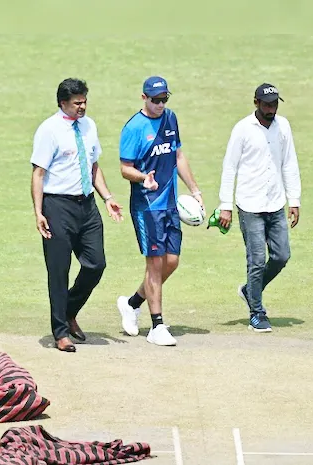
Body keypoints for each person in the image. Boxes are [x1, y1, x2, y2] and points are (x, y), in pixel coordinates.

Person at [30, 78, 123, 353]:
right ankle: (60, 331)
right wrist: (38, 212)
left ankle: (69, 310)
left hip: (87, 205)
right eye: (77, 103)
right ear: (63, 103)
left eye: (84, 101)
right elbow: (38, 174)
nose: (82, 107)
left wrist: (108, 198)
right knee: (58, 272)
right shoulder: (49, 130)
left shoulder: (89, 126)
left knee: (96, 264)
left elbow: (93, 165)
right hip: (57, 206)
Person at [116, 76, 203, 346]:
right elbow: (124, 168)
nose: (161, 104)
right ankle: (157, 326)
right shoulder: (134, 128)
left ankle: (132, 303)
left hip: (170, 204)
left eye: (165, 99)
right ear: (144, 98)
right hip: (147, 207)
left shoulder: (170, 119)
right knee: (154, 264)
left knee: (171, 262)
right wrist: (144, 178)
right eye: (156, 100)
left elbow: (178, 156)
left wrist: (195, 190)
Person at [217, 83, 302, 333]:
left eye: (274, 104)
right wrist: (225, 206)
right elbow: (229, 166)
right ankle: (257, 312)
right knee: (256, 260)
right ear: (256, 103)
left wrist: (294, 200)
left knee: (281, 256)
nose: (271, 109)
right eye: (266, 104)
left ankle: (249, 290)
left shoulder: (283, 126)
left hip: (275, 202)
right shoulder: (243, 129)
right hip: (249, 204)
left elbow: (289, 162)